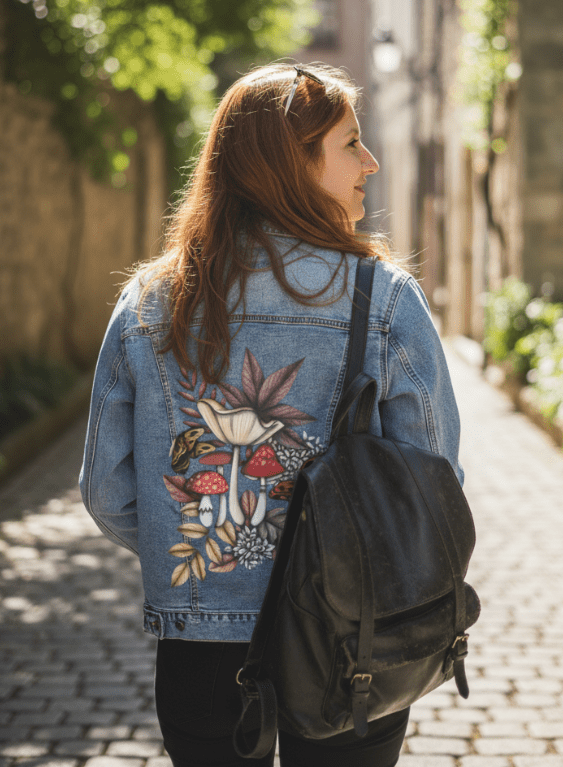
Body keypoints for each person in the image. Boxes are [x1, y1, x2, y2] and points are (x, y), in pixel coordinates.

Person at [80, 62, 463, 767]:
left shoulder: (150, 301)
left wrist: (204, 558)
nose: (371, 163)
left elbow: (108, 493)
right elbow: (432, 484)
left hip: (202, 640)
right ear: (292, 162)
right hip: (353, 639)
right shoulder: (383, 298)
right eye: (351, 143)